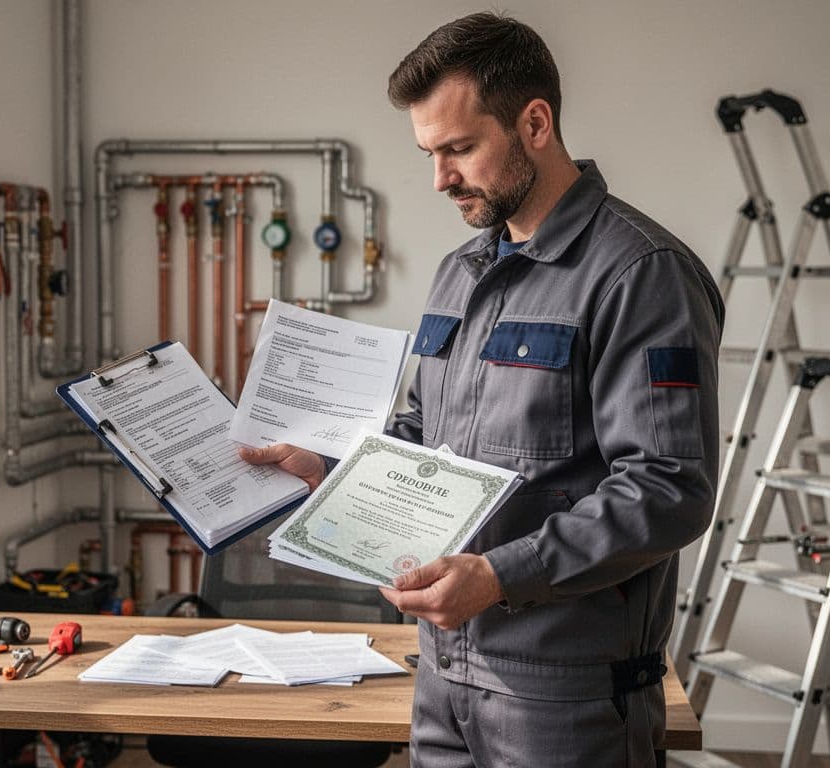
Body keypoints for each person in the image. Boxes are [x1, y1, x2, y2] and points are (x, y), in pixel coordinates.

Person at [241, 12, 724, 766]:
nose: (439, 178)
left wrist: (501, 576)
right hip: (441, 675)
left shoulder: (640, 274)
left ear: (535, 123)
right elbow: (425, 440)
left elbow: (668, 488)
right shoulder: (459, 275)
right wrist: (331, 472)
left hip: (565, 697)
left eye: (460, 149)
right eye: (430, 153)